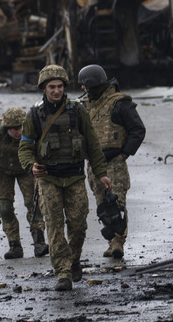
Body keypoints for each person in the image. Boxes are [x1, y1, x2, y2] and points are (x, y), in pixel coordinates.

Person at [18, 64, 112, 291]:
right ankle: (63, 272)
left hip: (74, 178)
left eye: (60, 86)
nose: (56, 91)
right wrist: (31, 166)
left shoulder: (78, 111)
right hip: (48, 179)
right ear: (44, 88)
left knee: (78, 226)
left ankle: (74, 259)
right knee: (54, 228)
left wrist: (102, 174)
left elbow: (92, 145)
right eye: (52, 87)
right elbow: (25, 148)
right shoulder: (34, 114)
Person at [78, 64, 146, 259]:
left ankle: (118, 242)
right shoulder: (85, 105)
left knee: (116, 204)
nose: (83, 89)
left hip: (114, 162)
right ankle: (111, 242)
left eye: (86, 86)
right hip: (94, 164)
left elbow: (137, 130)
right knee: (103, 206)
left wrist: (124, 154)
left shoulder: (119, 104)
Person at [0, 107, 48, 259]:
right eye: (15, 129)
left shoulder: (33, 129)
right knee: (5, 207)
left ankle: (39, 242)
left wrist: (39, 170)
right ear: (6, 128)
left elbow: (42, 149)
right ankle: (14, 245)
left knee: (34, 204)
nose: (19, 132)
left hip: (27, 169)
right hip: (2, 170)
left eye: (21, 127)